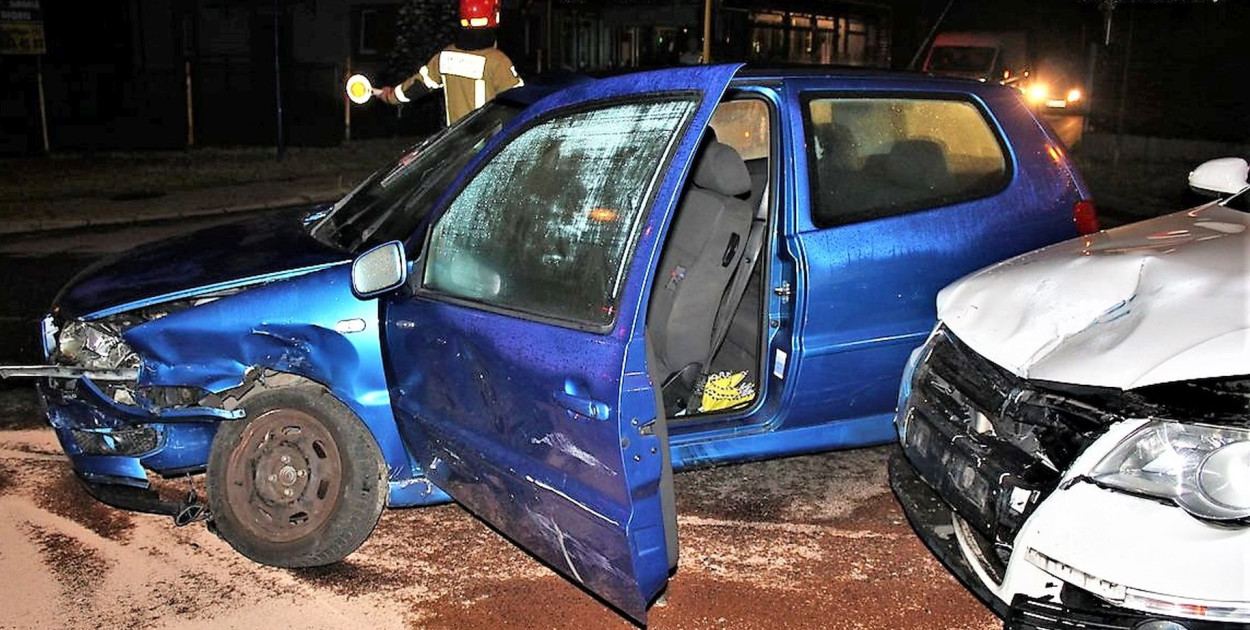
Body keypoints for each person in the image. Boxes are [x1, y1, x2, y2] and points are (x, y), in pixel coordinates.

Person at [378, 0, 524, 125]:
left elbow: (416, 86)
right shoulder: (497, 61)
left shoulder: (444, 56)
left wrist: (390, 96)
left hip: (456, 145)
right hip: (488, 148)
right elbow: (521, 101)